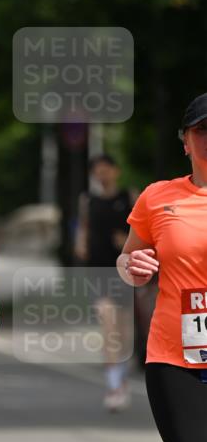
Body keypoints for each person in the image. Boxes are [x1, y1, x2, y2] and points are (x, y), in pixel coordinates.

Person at [117, 92, 207, 442]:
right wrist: (135, 268)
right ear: (185, 139)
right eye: (202, 131)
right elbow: (129, 262)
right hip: (176, 360)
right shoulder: (159, 198)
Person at [74, 155, 137, 410]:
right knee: (107, 323)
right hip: (98, 270)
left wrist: (129, 241)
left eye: (106, 170)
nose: (102, 175)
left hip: (123, 270)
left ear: (116, 171)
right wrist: (80, 243)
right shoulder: (88, 200)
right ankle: (114, 385)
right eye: (97, 171)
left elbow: (142, 229)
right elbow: (83, 227)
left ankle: (121, 374)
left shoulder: (129, 196)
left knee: (122, 332)